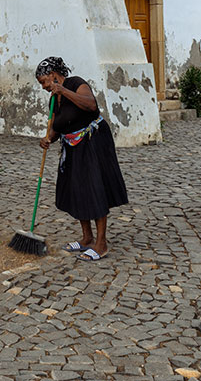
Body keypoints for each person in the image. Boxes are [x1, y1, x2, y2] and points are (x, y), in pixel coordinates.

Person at [36, 56, 129, 261]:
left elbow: (91, 106)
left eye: (44, 82)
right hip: (72, 146)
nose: (43, 87)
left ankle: (101, 244)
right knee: (77, 188)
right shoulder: (53, 99)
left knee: (94, 188)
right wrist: (48, 139)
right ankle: (87, 239)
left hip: (94, 141)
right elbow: (57, 127)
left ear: (53, 76)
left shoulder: (75, 84)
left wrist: (64, 91)